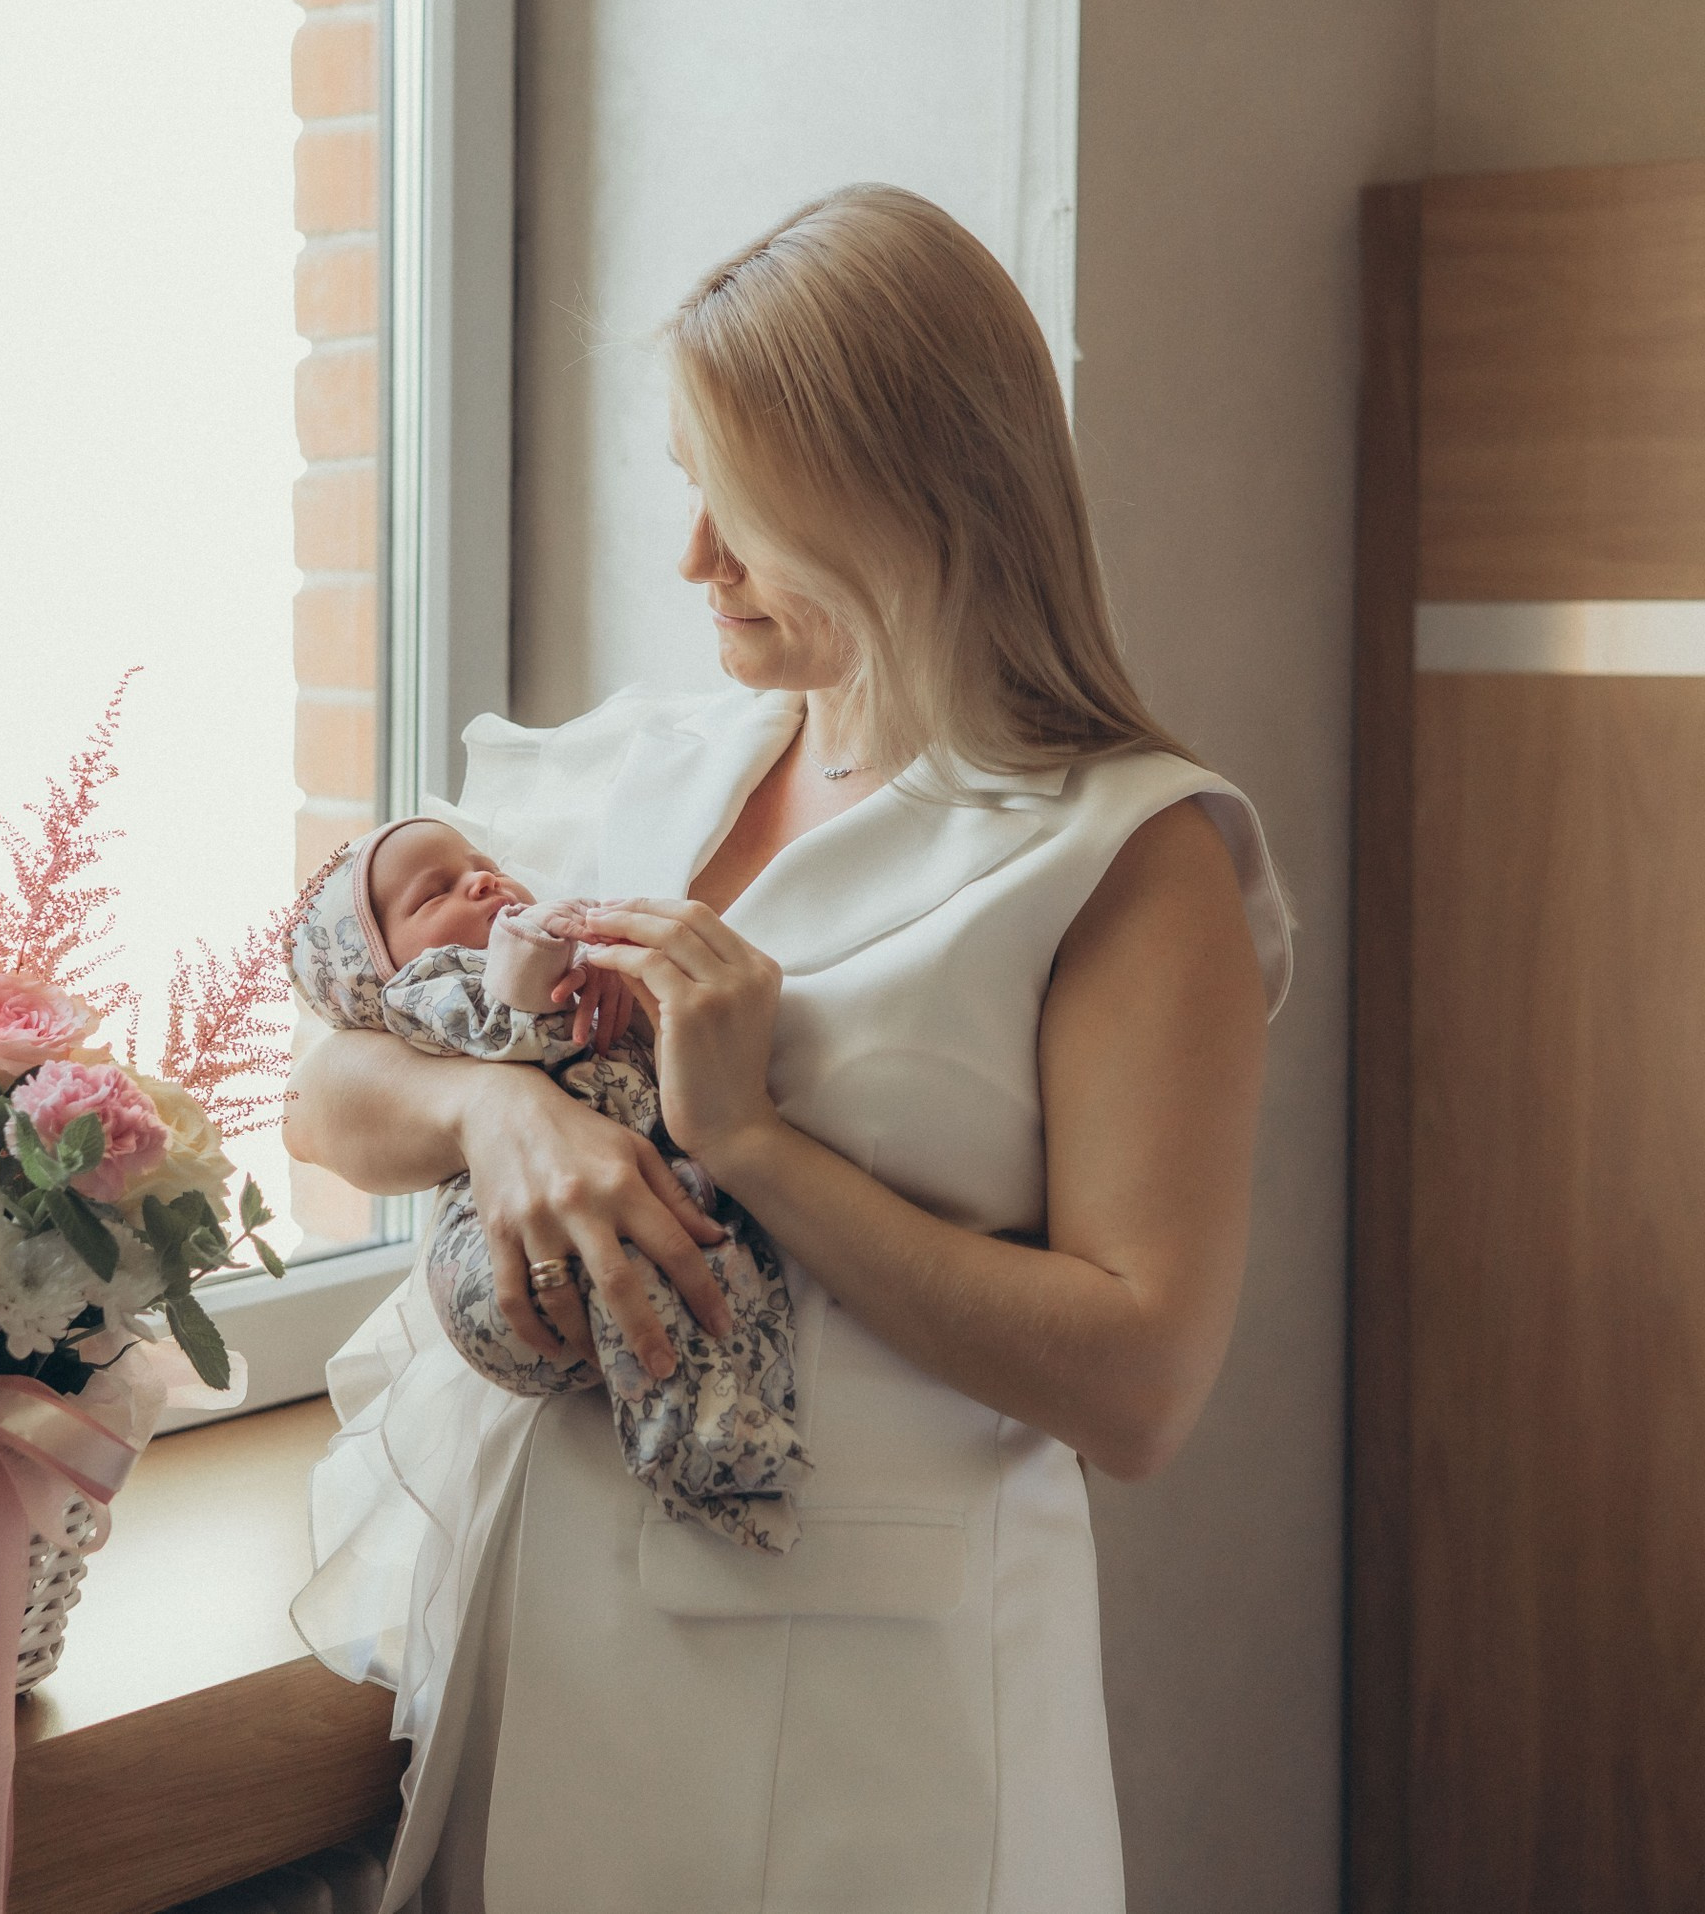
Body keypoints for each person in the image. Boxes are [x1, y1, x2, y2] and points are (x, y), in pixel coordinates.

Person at [284, 185, 1291, 1914]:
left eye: (742, 514)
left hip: (866, 1742)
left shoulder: (1131, 858)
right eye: (692, 489)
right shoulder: (640, 764)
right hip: (532, 1642)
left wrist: (751, 1145)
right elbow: (326, 1091)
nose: (693, 561)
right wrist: (501, 1111)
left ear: (911, 509)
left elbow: (1141, 1385)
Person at [286, 814, 810, 1553]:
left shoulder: (546, 963)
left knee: (709, 1287)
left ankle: (727, 1450)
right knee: (655, 1317)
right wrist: (546, 948)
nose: (483, 879)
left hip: (614, 1201)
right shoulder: (431, 994)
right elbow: (508, 1020)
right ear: (375, 973)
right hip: (502, 1260)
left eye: (482, 861)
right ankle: (698, 1464)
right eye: (436, 892)